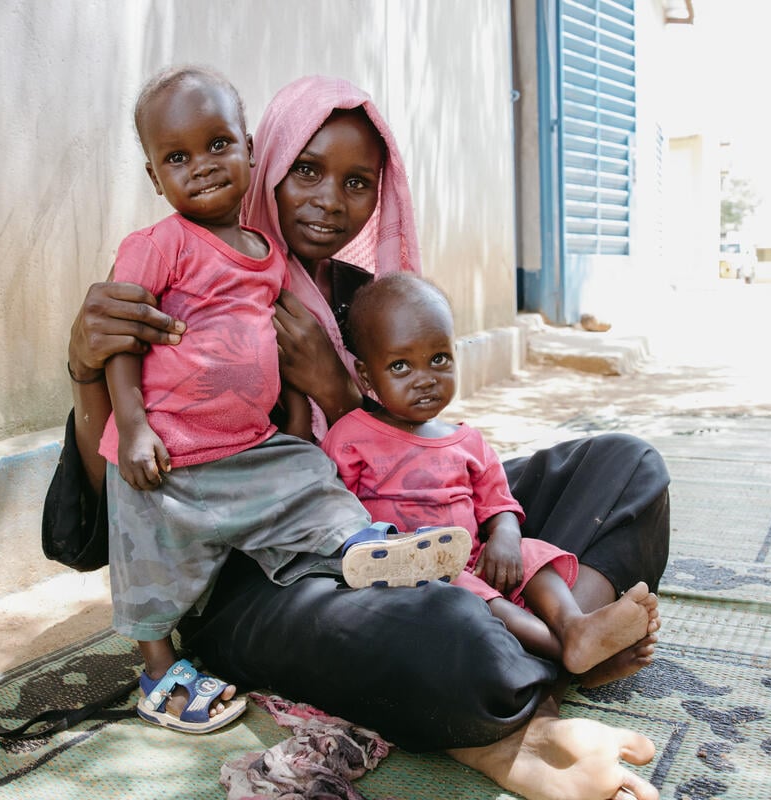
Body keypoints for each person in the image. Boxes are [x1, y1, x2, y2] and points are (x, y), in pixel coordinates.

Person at [64, 74, 669, 800]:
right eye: (307, 170)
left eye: (358, 182)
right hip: (261, 578)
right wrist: (85, 370)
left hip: (396, 524)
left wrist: (338, 392)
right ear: (270, 166)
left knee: (626, 466)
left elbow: (430, 454)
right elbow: (119, 507)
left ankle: (552, 637)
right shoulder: (184, 282)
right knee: (441, 622)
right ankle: (521, 676)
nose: (329, 200)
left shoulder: (364, 298)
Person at [97, 66, 469, 733]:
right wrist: (130, 424)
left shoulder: (291, 266)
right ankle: (158, 666)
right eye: (178, 158)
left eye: (358, 183)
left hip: (249, 450)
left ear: (245, 148)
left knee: (313, 476)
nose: (330, 200)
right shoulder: (157, 248)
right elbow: (123, 347)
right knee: (147, 555)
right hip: (173, 457)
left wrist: (315, 408)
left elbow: (282, 358)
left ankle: (368, 548)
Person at [324, 272, 661, 677]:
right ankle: (570, 654)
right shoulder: (352, 437)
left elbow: (498, 501)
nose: (426, 378)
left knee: (535, 556)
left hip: (475, 557)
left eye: (439, 359)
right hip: (415, 571)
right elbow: (335, 510)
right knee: (470, 594)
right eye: (400, 366)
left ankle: (575, 624)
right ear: (365, 376)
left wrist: (505, 536)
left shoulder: (467, 440)